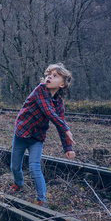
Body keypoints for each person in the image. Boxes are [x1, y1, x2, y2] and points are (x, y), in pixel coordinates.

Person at [9, 63, 76, 206]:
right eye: (48, 75)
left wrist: (68, 148)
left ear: (62, 84)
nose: (49, 77)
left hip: (37, 138)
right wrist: (66, 128)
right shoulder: (40, 90)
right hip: (21, 134)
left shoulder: (59, 104)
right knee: (15, 167)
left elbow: (60, 122)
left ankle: (41, 199)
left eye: (55, 76)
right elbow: (49, 112)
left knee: (35, 167)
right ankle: (18, 183)